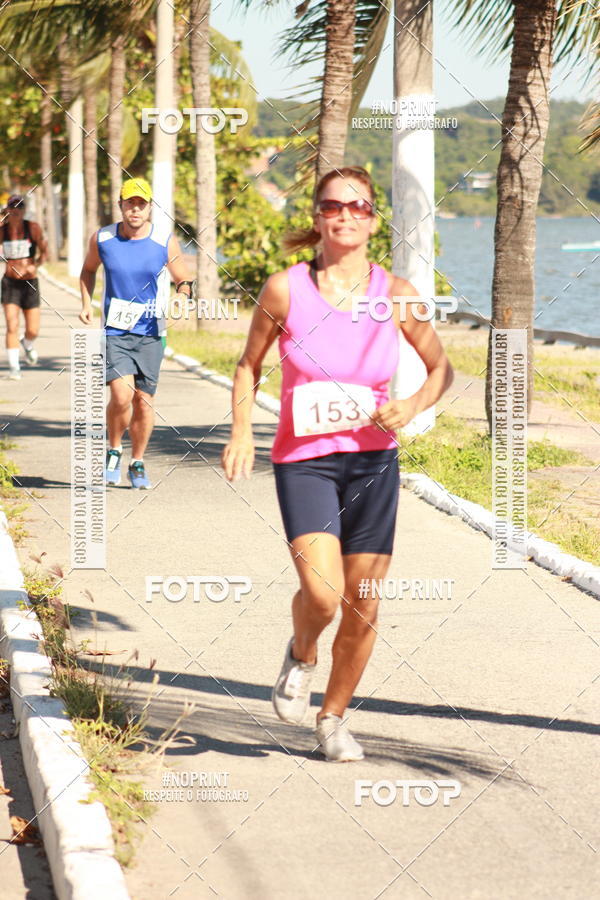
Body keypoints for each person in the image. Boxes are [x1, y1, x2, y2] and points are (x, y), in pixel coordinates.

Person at [222, 165, 453, 761]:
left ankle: (332, 718)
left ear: (373, 219)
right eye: (332, 206)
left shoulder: (396, 296)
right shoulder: (285, 289)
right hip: (306, 461)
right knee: (324, 596)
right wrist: (242, 430)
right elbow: (248, 365)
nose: (344, 215)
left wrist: (411, 407)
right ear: (317, 217)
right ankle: (302, 652)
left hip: (374, 464)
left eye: (357, 206)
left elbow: (440, 369)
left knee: (366, 598)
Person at [79, 177, 193, 489]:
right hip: (116, 329)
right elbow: (88, 270)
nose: (135, 209)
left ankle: (138, 460)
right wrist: (87, 303)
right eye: (130, 203)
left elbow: (184, 279)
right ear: (120, 205)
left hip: (152, 332)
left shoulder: (163, 240)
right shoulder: (102, 238)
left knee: (144, 401)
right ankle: (114, 449)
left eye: (141, 204)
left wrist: (182, 297)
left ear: (150, 208)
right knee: (121, 394)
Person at [1, 194, 48, 379]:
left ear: (24, 210)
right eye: (13, 207)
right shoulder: (3, 231)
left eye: (20, 207)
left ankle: (27, 344)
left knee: (33, 330)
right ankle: (14, 369)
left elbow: (45, 252)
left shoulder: (33, 228)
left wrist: (34, 265)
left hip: (30, 283)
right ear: (8, 209)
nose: (16, 210)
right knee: (12, 325)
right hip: (10, 283)